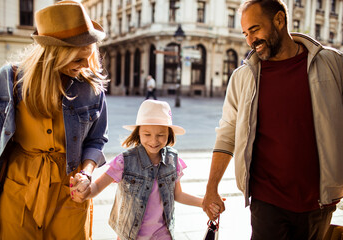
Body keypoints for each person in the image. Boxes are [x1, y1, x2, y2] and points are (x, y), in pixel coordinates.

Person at [203, 0, 343, 239]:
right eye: (245, 33)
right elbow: (227, 132)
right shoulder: (243, 77)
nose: (250, 40)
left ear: (279, 20)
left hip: (319, 202)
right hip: (266, 201)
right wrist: (211, 188)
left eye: (255, 30)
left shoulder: (332, 63)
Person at [0, 1, 109, 239]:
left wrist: (87, 173)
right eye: (77, 60)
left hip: (70, 193)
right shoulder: (9, 81)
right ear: (53, 54)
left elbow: (97, 139)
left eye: (88, 57)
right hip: (17, 190)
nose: (85, 67)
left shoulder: (91, 86)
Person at [70, 100, 221, 239]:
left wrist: (204, 203)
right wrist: (84, 191)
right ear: (138, 133)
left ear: (168, 134)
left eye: (160, 135)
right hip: (131, 235)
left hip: (163, 234)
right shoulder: (124, 162)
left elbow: (178, 194)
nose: (154, 140)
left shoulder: (172, 160)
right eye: (147, 134)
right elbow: (96, 186)